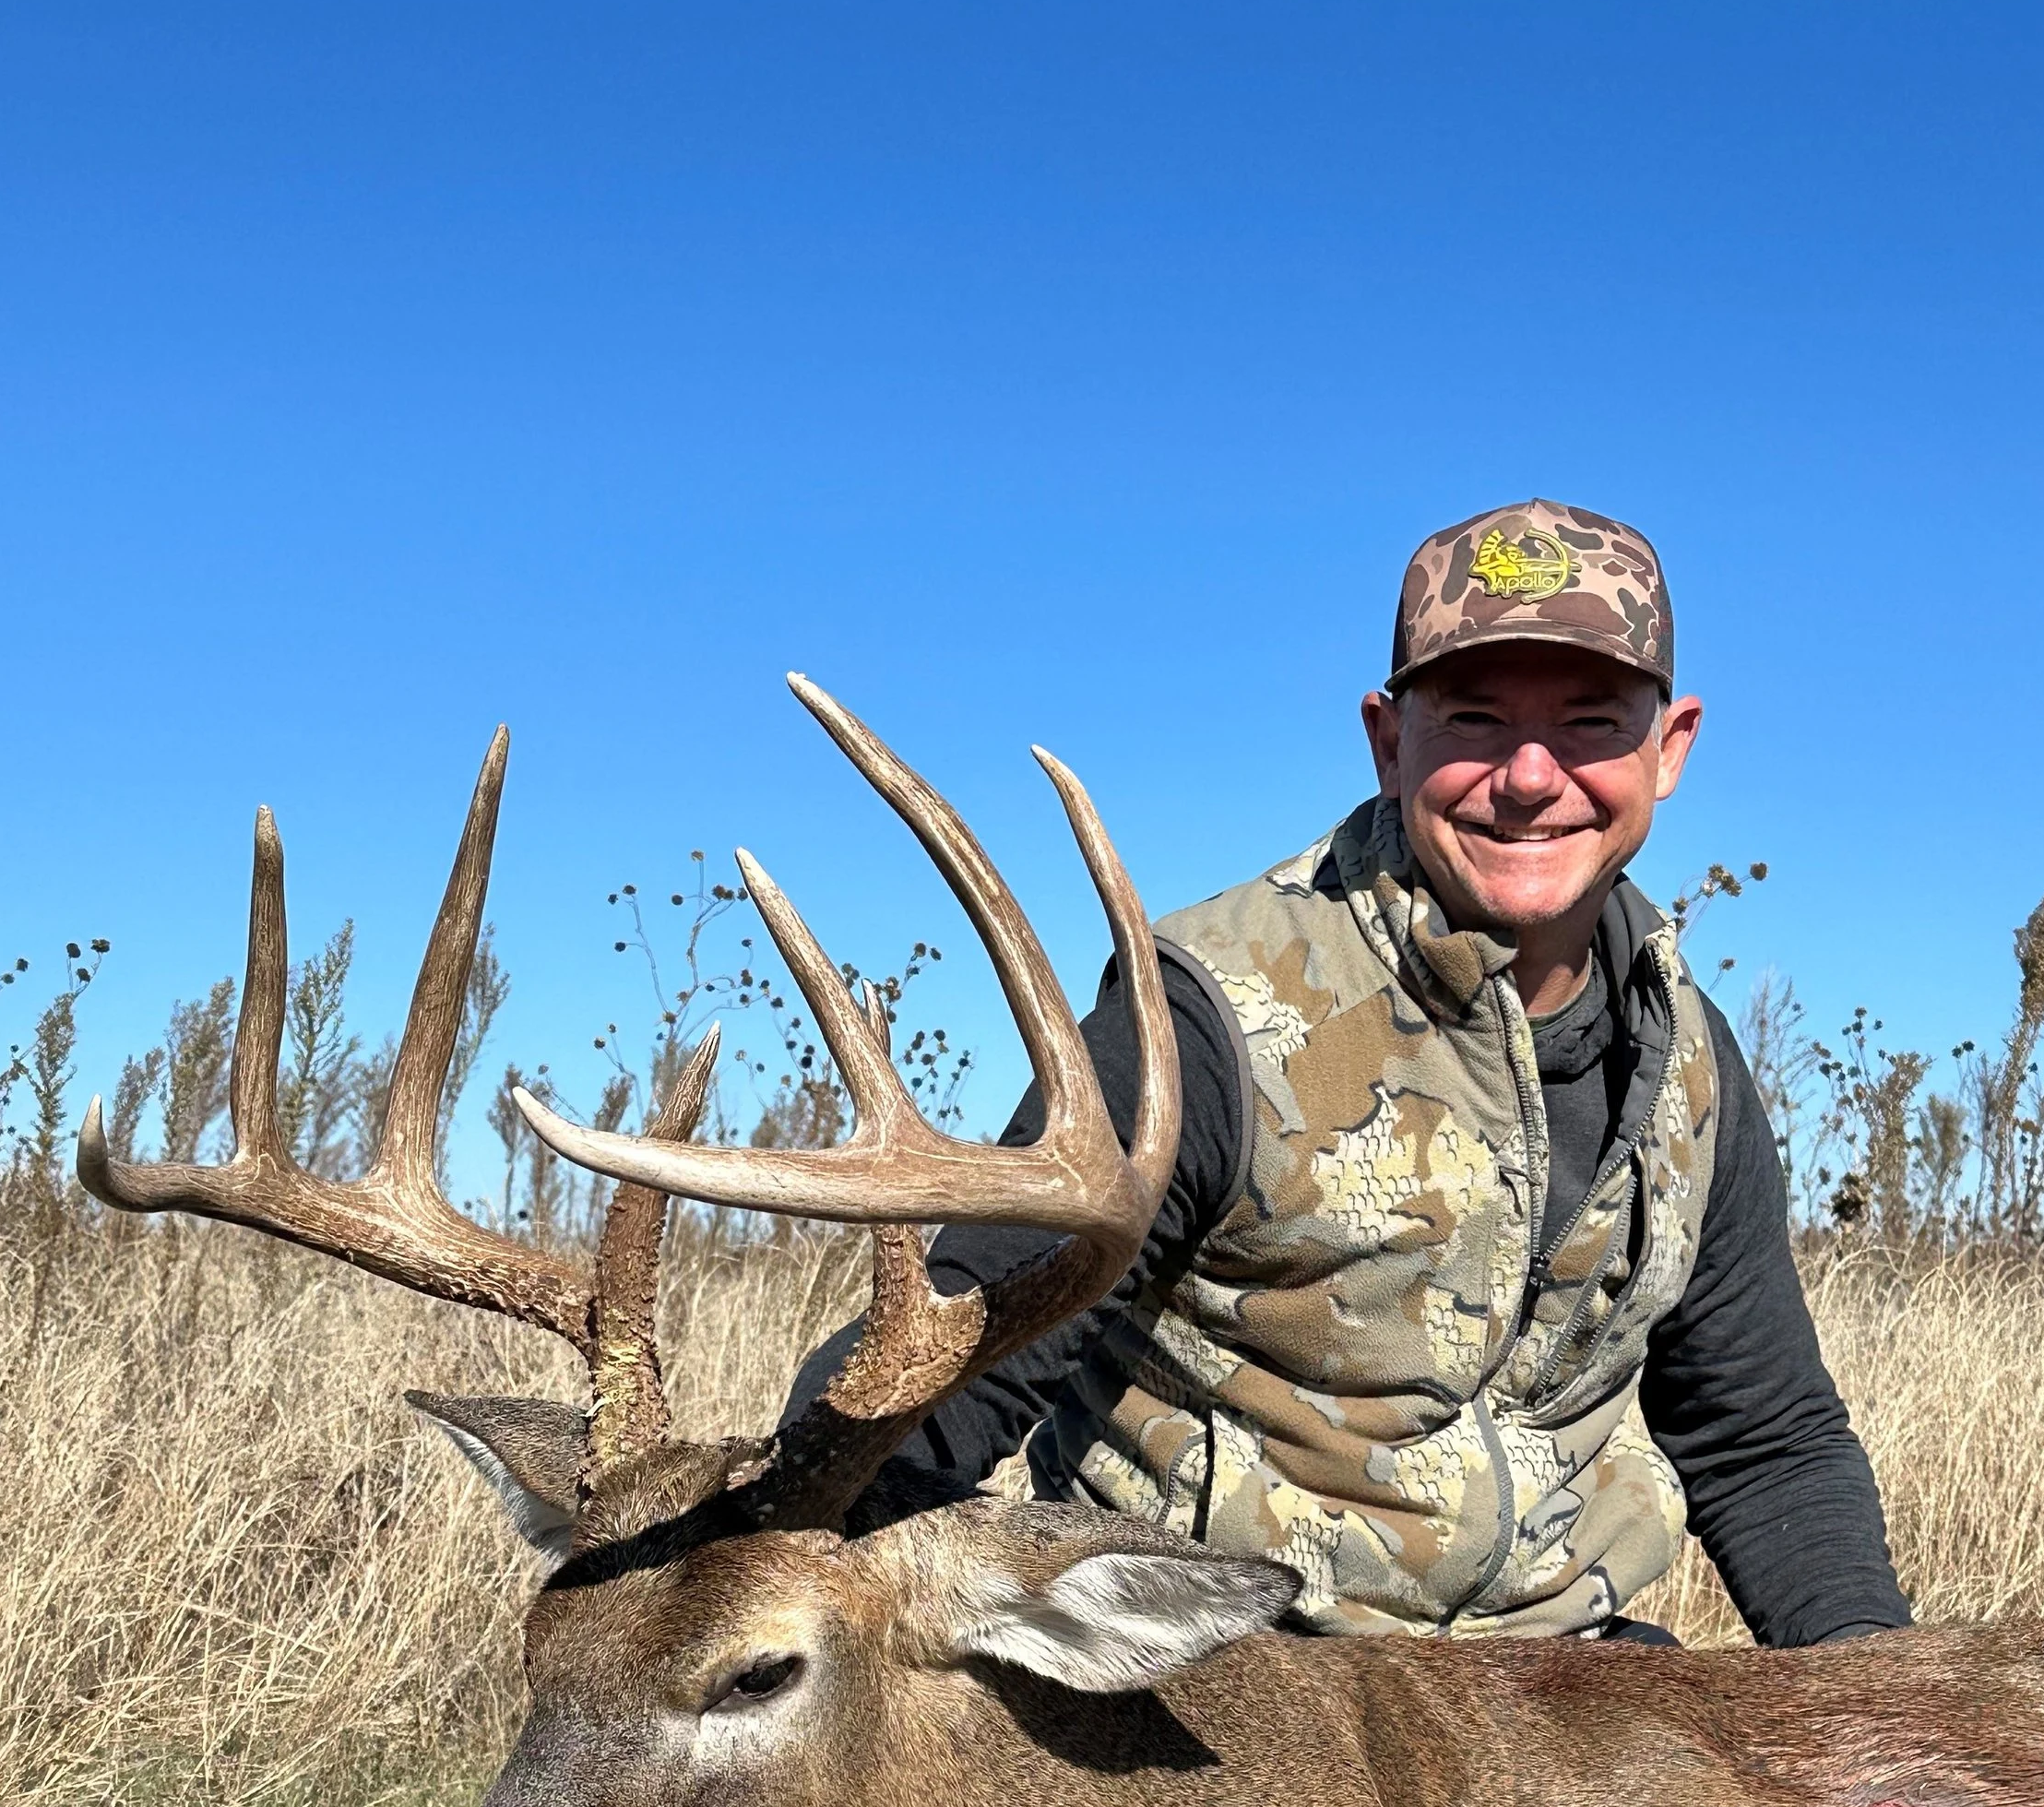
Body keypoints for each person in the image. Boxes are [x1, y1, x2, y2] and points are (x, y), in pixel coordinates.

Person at [790, 497, 1909, 1650]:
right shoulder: (1208, 1014)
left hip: (1564, 1695)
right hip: (1237, 1692)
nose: (1530, 778)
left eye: (1587, 724)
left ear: (1667, 749)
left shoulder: (1691, 1064)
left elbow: (1762, 1442)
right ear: (1387, 739)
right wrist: (798, 1557)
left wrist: (1884, 1719)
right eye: (1473, 720)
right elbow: (947, 1368)